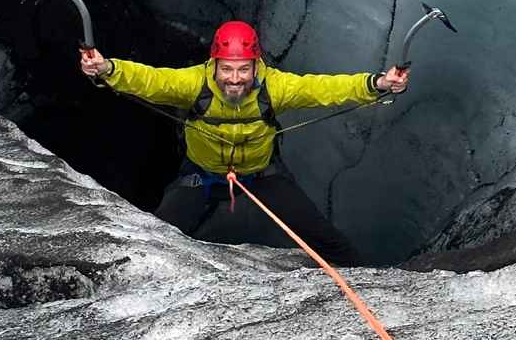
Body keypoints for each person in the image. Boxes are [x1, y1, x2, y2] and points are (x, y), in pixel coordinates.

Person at [79, 20, 408, 264]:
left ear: (256, 66)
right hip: (203, 176)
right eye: (227, 69)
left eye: (243, 70)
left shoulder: (273, 87)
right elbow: (151, 80)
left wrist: (376, 84)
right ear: (214, 65)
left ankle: (367, 284)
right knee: (156, 242)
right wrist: (107, 69)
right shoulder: (194, 83)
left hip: (260, 176)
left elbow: (323, 88)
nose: (234, 78)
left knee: (324, 238)